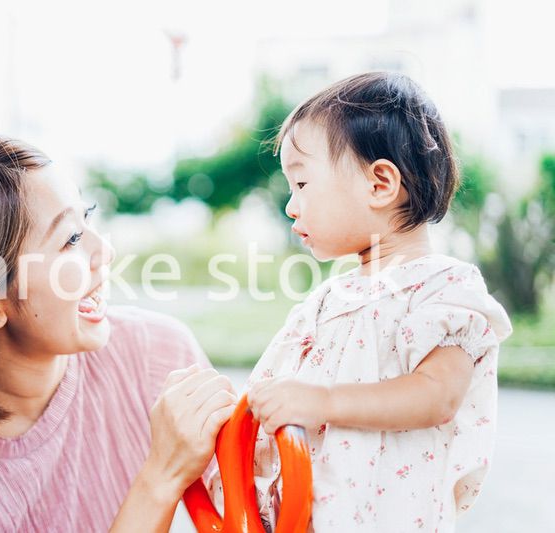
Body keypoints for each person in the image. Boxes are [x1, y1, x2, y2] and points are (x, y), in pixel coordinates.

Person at [0, 137, 237, 532]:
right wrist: (161, 477)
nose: (103, 252)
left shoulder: (157, 353)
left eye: (86, 220)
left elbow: (267, 505)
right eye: (70, 240)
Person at [209, 72, 512, 532]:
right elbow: (271, 399)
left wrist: (322, 401)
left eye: (302, 184)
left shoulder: (443, 289)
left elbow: (438, 395)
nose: (291, 206)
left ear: (379, 185)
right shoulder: (324, 302)